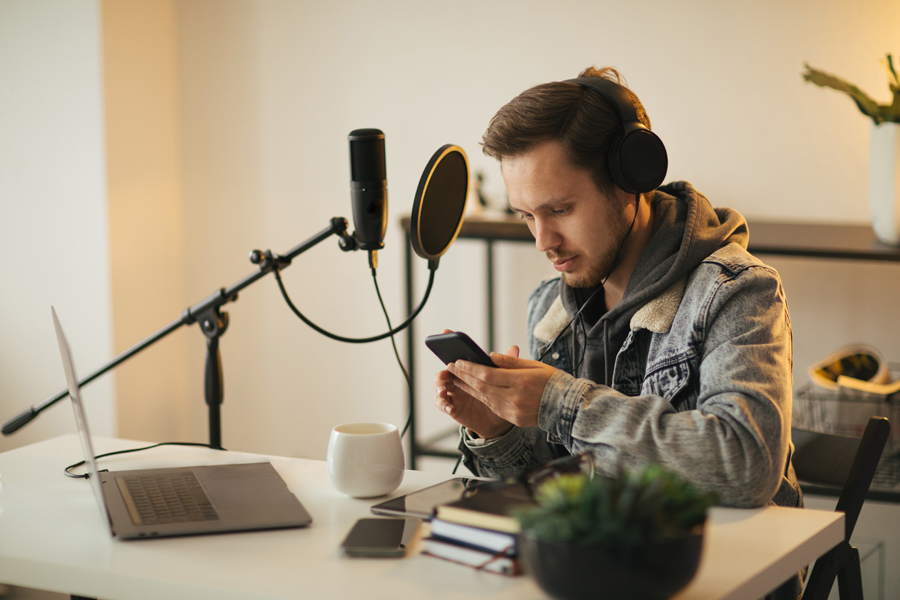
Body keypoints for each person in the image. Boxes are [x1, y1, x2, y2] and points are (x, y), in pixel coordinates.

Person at [433, 66, 801, 511]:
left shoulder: (737, 293)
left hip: (725, 568)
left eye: (561, 209)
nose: (542, 241)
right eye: (527, 215)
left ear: (630, 183)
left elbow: (747, 466)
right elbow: (555, 494)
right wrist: (499, 432)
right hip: (600, 563)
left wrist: (561, 404)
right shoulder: (551, 309)